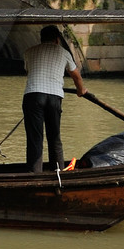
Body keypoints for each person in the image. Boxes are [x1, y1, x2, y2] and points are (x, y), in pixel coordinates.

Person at [21, 25, 87, 173]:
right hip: (54, 97)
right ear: (58, 39)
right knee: (54, 138)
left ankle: (34, 174)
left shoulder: (29, 51)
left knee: (35, 139)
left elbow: (29, 71)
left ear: (41, 39)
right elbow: (76, 75)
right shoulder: (64, 53)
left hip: (33, 96)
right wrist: (80, 90)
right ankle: (57, 172)